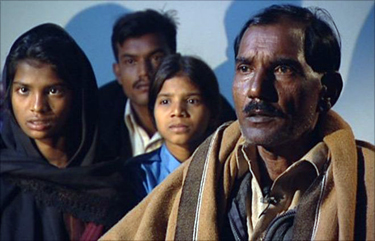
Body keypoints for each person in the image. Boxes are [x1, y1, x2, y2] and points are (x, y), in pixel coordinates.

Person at [100, 4, 374, 241]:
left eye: (282, 69)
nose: (256, 89)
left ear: (328, 91)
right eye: (245, 68)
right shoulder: (208, 167)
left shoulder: (366, 182)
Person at [0, 23, 130, 240]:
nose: (37, 106)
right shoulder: (5, 182)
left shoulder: (112, 180)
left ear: (78, 95)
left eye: (53, 90)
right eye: (24, 90)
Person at [98, 9, 236, 162]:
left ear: (173, 60)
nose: (144, 72)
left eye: (156, 58)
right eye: (131, 61)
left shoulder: (214, 112)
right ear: (117, 72)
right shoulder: (97, 112)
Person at [124, 54, 222, 204]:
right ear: (153, 112)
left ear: (212, 112)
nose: (177, 111)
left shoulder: (228, 169)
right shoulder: (138, 174)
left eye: (191, 101)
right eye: (165, 101)